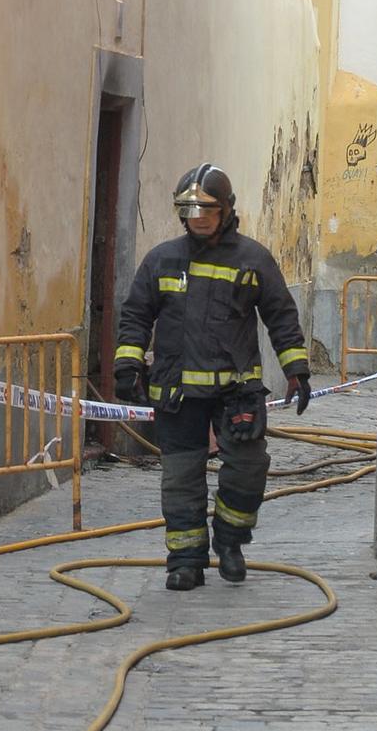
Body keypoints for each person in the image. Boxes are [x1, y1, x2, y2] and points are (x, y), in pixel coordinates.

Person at [113, 163, 310, 591]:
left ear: (226, 210)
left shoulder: (252, 259)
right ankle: (185, 560)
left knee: (248, 470)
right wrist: (127, 363)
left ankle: (231, 541)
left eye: (206, 208)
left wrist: (296, 369)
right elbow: (135, 315)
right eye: (189, 208)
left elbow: (280, 316)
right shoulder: (162, 259)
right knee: (180, 477)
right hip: (177, 391)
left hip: (236, 390)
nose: (197, 216)